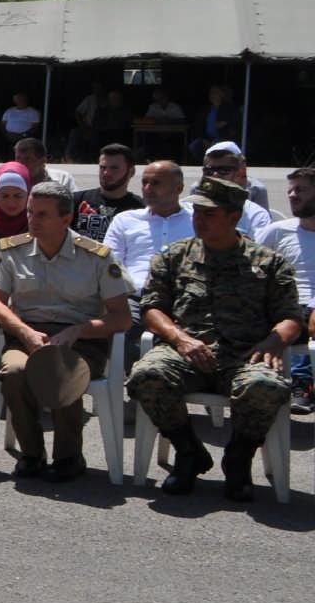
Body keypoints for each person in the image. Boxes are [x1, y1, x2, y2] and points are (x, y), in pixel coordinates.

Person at [127, 177, 303, 501]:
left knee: (266, 387)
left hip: (244, 355)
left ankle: (239, 459)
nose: (198, 220)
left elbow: (292, 316)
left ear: (234, 217)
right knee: (146, 375)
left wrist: (274, 341)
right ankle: (188, 451)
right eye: (196, 212)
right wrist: (180, 339)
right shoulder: (175, 256)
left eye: (209, 214)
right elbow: (152, 308)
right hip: (186, 352)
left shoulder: (268, 262)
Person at [0, 182, 135, 483]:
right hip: (27, 335)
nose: (32, 220)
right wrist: (25, 332)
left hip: (81, 341)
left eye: (42, 214)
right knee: (14, 372)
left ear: (66, 220)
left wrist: (78, 330)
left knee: (62, 371)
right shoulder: (12, 250)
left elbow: (122, 318)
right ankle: (32, 454)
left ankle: (68, 457)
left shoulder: (96, 257)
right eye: (30, 212)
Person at [256, 165, 315, 411]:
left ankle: (301, 381)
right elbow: (251, 268)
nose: (292, 195)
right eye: (290, 190)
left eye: (300, 189)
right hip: (284, 303)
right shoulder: (277, 232)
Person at [105, 160, 191, 291]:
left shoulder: (197, 219)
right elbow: (110, 264)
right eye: (144, 182)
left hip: (185, 298)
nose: (147, 189)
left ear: (179, 188)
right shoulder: (124, 220)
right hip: (135, 297)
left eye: (156, 183)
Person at [72, 143, 144, 241]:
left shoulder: (141, 208)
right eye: (103, 168)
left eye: (114, 168)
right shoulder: (76, 200)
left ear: (131, 172)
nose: (106, 173)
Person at [200, 142, 273, 220]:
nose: (215, 175)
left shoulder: (256, 190)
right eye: (208, 170)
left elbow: (263, 223)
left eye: (224, 170)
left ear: (241, 169)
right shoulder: (198, 188)